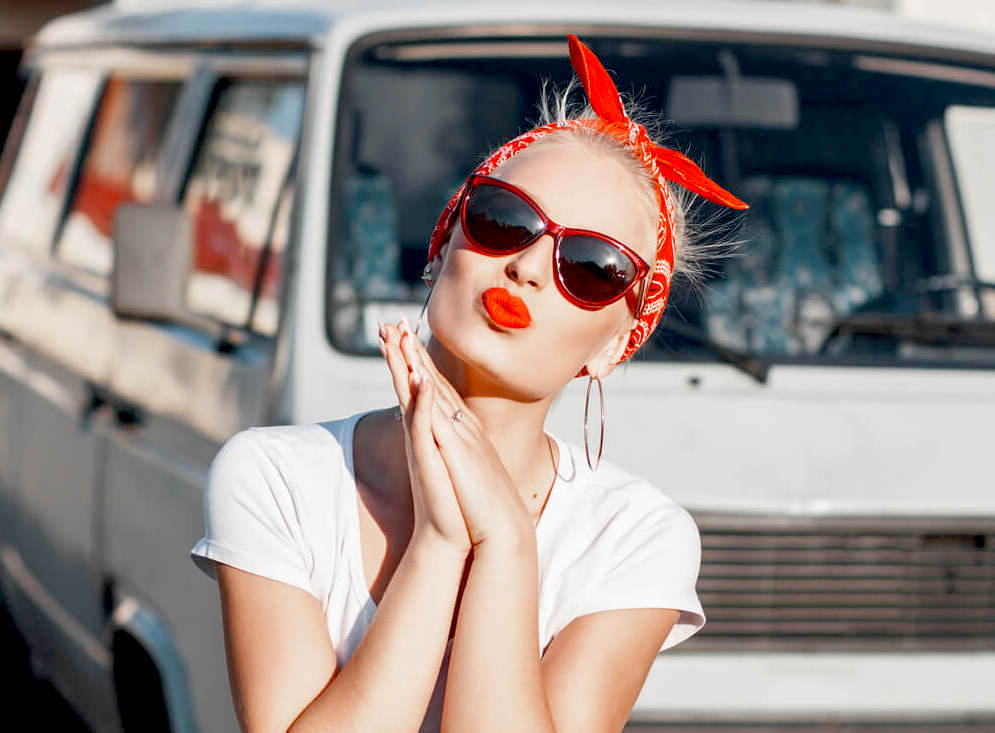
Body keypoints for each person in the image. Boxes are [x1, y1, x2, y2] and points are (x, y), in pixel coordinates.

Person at [189, 34, 747, 733]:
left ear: (614, 344)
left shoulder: (634, 536)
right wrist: (441, 542)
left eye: (592, 265)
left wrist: (506, 542)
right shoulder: (276, 475)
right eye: (503, 220)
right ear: (443, 243)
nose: (530, 268)